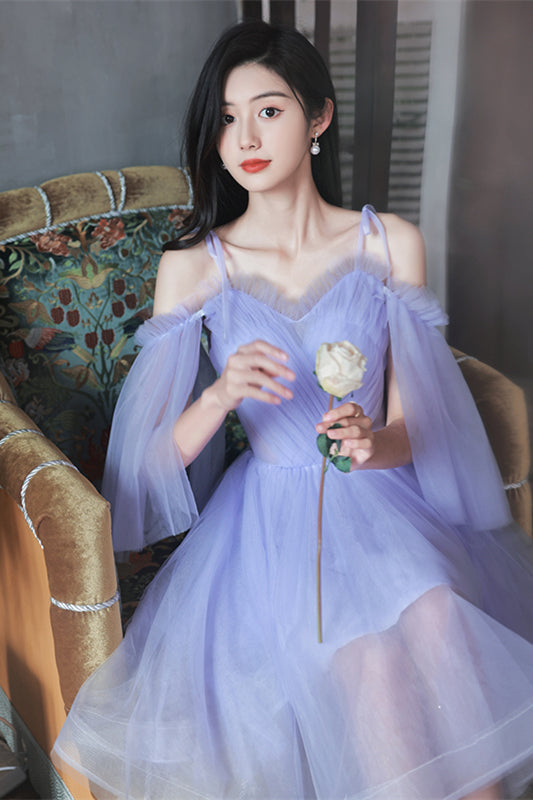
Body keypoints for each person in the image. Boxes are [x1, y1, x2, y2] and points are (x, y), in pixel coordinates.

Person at [52, 20, 533, 800]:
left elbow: (417, 428)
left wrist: (370, 441)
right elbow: (147, 464)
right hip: (269, 525)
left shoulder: (387, 244)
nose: (244, 137)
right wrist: (220, 393)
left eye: (268, 111)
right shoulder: (195, 267)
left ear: (317, 118)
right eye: (226, 118)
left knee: (438, 615)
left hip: (385, 505)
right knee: (364, 659)